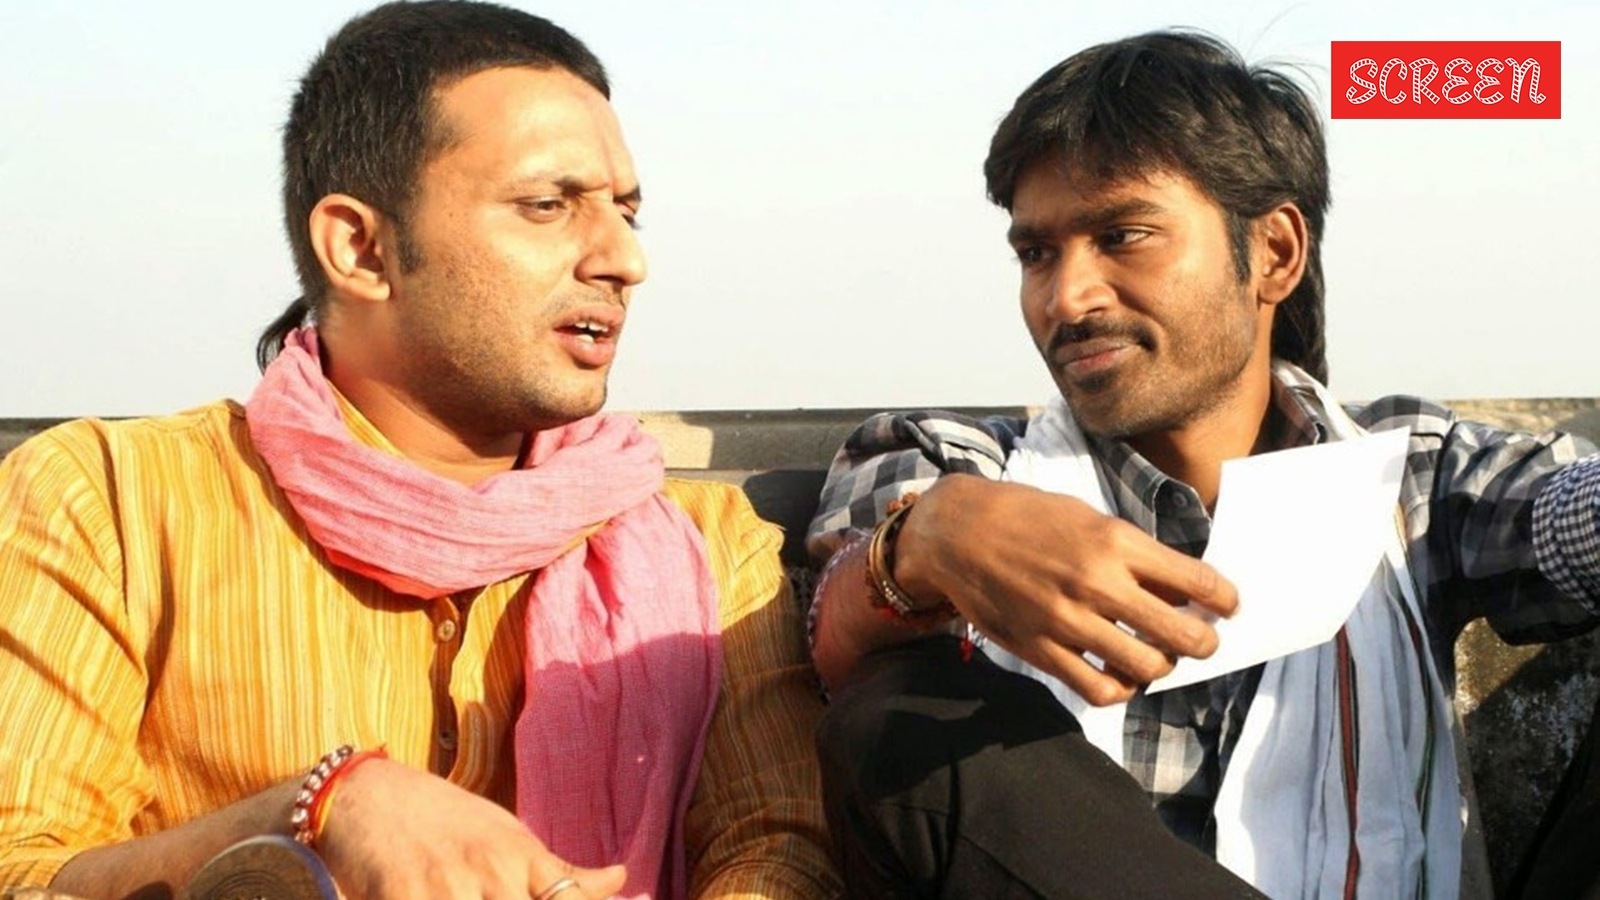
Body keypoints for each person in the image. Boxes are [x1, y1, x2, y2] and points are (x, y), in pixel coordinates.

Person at [0, 3, 839, 899]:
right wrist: (310, 814)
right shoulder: (110, 503)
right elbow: (20, 864)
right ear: (361, 249)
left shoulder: (704, 544)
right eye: (547, 205)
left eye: (626, 212)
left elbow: (779, 846)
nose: (624, 259)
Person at [805, 30, 1600, 900]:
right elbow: (831, 640)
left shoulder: (1408, 476)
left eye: (1123, 235)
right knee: (902, 719)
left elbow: (1571, 517)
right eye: (1036, 254)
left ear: (1275, 253)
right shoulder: (967, 466)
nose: (1067, 297)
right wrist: (926, 543)